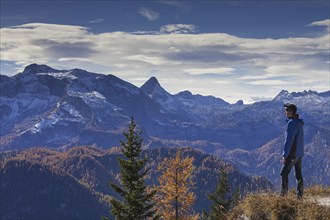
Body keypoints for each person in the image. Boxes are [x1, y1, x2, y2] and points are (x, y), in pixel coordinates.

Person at [280, 103, 304, 199]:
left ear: (292, 112)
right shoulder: (298, 122)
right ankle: (300, 196)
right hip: (299, 153)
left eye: (287, 110)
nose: (286, 112)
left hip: (292, 154)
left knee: (283, 173)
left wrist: (285, 155)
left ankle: (283, 196)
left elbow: (289, 140)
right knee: (298, 174)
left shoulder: (291, 123)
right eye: (286, 110)